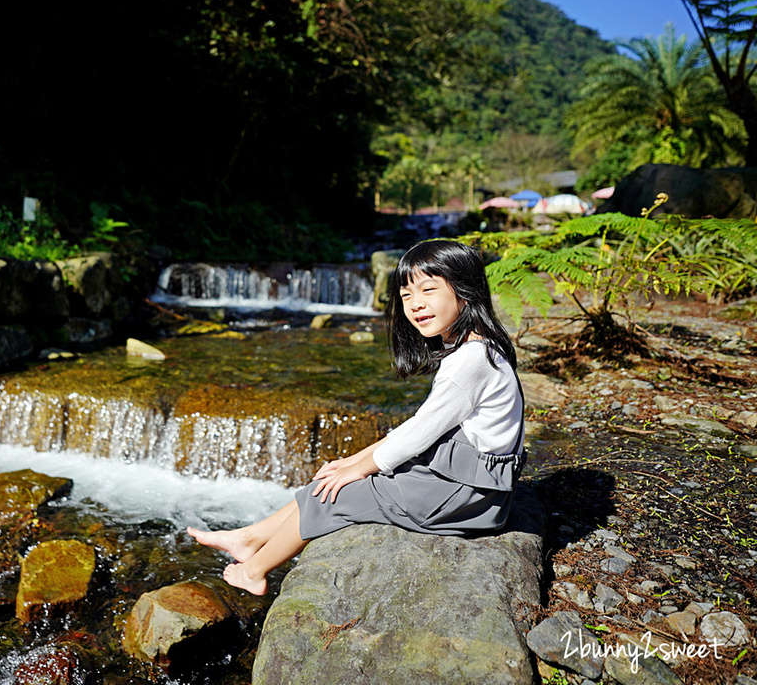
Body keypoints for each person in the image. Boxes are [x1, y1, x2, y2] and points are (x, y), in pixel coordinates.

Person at [187, 239, 525, 595]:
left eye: (428, 290)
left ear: (465, 292)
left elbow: (418, 435)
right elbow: (419, 427)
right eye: (407, 295)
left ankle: (254, 571)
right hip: (463, 480)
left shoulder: (470, 363)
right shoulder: (476, 345)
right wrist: (353, 460)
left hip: (467, 495)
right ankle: (250, 537)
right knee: (334, 478)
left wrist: (360, 469)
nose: (416, 304)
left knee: (332, 496)